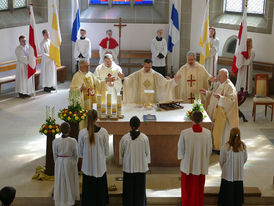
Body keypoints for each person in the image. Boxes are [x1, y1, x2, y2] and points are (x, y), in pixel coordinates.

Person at [178, 111, 212, 206]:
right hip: (201, 166)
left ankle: (186, 203)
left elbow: (181, 151)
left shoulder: (185, 133)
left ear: (191, 119)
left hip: (187, 166)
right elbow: (209, 151)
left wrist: (185, 160)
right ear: (202, 120)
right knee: (198, 188)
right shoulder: (208, 133)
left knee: (187, 188)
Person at [200, 68, 239, 151]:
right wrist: (206, 93)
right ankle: (213, 145)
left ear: (226, 76)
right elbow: (213, 94)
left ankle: (221, 148)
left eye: (220, 75)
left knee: (222, 132)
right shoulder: (218, 83)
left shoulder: (230, 86)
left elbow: (231, 101)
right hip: (214, 111)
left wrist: (221, 98)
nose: (218, 77)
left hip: (222, 115)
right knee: (213, 129)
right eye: (218, 75)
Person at [78, 109, 109, 206]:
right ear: (97, 118)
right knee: (100, 189)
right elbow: (106, 151)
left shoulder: (82, 133)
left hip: (87, 167)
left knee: (88, 190)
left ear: (87, 119)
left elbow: (80, 152)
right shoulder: (103, 132)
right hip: (100, 167)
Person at [70, 60, 113, 128]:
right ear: (80, 67)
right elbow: (72, 89)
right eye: (85, 66)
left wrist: (105, 81)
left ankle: (93, 129)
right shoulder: (76, 76)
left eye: (88, 66)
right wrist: (80, 89)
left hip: (92, 101)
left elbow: (98, 83)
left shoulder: (90, 74)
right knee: (85, 120)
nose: (88, 67)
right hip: (84, 103)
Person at [119, 116, 150, 206]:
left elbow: (121, 153)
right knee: (140, 189)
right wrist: (146, 163)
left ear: (130, 125)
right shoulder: (144, 138)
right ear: (139, 125)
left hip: (128, 168)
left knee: (128, 189)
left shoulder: (124, 138)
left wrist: (122, 162)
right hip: (140, 168)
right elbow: (147, 153)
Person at [218, 127, 247, 206]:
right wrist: (239, 166)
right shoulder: (243, 147)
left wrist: (224, 169)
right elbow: (245, 159)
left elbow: (221, 160)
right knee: (237, 200)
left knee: (226, 199)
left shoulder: (225, 147)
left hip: (227, 176)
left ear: (230, 135)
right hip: (238, 176)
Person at [52, 122, 80, 206]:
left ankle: (60, 201)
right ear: (69, 129)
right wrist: (74, 163)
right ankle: (70, 200)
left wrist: (58, 162)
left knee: (60, 181)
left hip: (59, 161)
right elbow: (76, 154)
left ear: (60, 130)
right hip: (70, 162)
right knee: (70, 181)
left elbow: (54, 154)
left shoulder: (55, 141)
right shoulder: (73, 141)